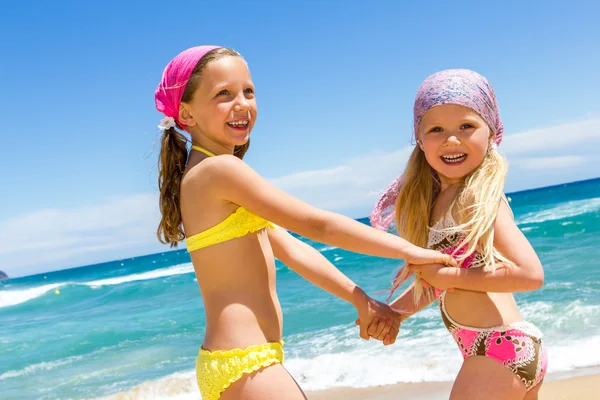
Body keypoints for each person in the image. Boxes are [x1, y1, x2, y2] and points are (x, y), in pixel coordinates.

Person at [154, 45, 455, 400]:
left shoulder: (207, 174)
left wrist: (361, 301)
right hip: (247, 363)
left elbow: (294, 249)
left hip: (235, 362)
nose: (242, 104)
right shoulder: (220, 170)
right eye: (224, 94)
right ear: (186, 114)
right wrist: (409, 250)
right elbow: (317, 225)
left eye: (248, 91)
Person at [368, 69, 547, 399]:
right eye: (436, 129)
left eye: (466, 126)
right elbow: (442, 283)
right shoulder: (443, 200)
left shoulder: (476, 196)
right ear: (420, 141)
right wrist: (396, 313)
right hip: (504, 348)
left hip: (497, 349)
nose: (452, 139)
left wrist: (448, 274)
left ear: (491, 131)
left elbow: (529, 274)